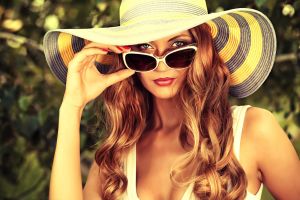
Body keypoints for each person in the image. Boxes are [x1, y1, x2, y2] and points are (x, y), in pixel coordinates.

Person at [43, 0, 300, 199]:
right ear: (126, 54)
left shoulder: (253, 130)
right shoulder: (115, 156)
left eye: (178, 47)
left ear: (203, 50)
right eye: (144, 48)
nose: (161, 65)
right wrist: (72, 107)